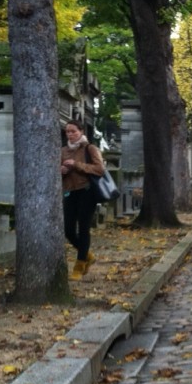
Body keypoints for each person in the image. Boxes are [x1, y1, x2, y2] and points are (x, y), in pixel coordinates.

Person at [60, 119, 105, 280]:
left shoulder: (90, 148)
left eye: (73, 131)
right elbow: (58, 171)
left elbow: (100, 169)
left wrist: (77, 164)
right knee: (68, 229)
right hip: (70, 192)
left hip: (87, 192)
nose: (70, 134)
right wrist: (62, 170)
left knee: (83, 228)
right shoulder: (63, 150)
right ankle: (87, 255)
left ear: (81, 132)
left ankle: (79, 266)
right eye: (67, 131)